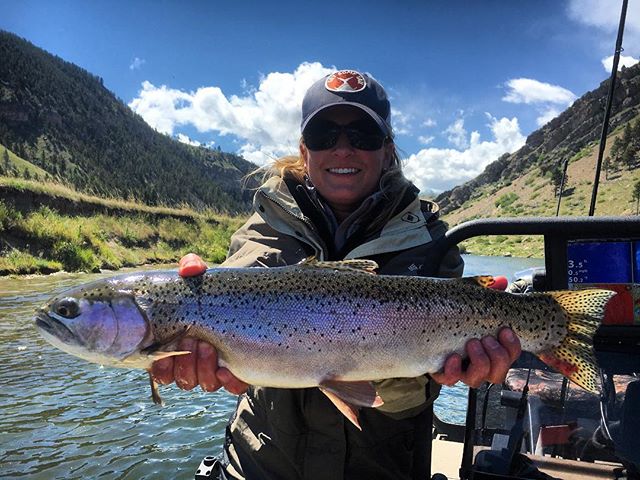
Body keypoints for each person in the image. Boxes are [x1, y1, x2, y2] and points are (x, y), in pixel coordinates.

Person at [151, 69, 522, 480]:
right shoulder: (261, 231)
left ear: (387, 150)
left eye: (362, 135)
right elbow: (223, 347)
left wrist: (463, 369)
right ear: (304, 150)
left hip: (383, 468)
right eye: (325, 135)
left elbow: (418, 395)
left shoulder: (431, 241)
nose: (342, 149)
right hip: (261, 465)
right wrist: (196, 354)